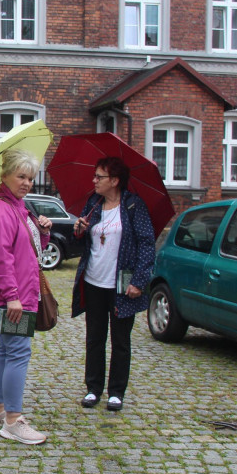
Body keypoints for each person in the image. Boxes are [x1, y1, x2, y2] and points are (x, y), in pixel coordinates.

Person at [0, 149, 51, 445]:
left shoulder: (18, 206)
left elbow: (27, 250)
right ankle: (12, 420)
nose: (27, 182)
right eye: (21, 176)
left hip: (20, 291)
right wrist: (11, 297)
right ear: (5, 175)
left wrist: (43, 232)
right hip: (13, 295)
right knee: (18, 351)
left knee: (7, 350)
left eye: (31, 178)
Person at [71, 156, 155, 412]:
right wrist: (80, 230)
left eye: (100, 176)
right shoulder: (93, 203)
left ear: (115, 180)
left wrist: (139, 281)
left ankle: (116, 392)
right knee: (94, 338)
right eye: (95, 176)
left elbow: (147, 244)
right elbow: (82, 244)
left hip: (121, 284)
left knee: (120, 340)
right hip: (94, 280)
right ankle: (93, 389)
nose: (94, 180)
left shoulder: (133, 206)